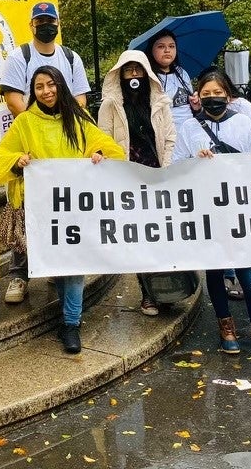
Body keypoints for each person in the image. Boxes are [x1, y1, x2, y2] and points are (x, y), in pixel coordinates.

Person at [0, 66, 124, 353]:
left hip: (75, 207)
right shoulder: (25, 122)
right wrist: (18, 161)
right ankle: (67, 316)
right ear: (33, 92)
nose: (46, 91)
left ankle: (71, 323)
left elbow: (112, 150)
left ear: (60, 85)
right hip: (41, 209)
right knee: (58, 263)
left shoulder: (78, 118)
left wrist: (98, 154)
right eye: (39, 87)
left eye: (51, 85)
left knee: (73, 264)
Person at [173, 69, 251, 356]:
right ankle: (225, 326)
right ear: (198, 98)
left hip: (238, 208)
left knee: (247, 273)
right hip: (207, 211)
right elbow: (175, 164)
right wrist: (196, 161)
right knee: (215, 272)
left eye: (217, 94)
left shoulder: (242, 123)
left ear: (228, 96)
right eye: (206, 95)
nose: (212, 99)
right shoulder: (190, 129)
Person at [0, 2, 89, 304]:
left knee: (59, 211)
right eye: (40, 21)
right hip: (28, 141)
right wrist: (38, 125)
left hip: (63, 142)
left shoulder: (70, 57)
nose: (46, 25)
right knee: (23, 212)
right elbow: (13, 98)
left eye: (51, 20)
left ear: (58, 23)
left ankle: (54, 265)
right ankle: (18, 276)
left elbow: (80, 99)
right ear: (31, 25)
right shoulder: (19, 56)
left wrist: (57, 123)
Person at [97, 50, 176, 316]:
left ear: (146, 73)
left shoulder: (160, 103)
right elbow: (103, 140)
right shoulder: (110, 106)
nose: (133, 75)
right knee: (140, 237)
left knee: (160, 236)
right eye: (128, 70)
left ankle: (167, 289)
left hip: (156, 175)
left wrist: (165, 170)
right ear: (119, 74)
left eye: (138, 70)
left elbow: (169, 137)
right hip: (128, 178)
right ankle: (148, 295)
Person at [144, 30, 200, 133]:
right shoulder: (147, 77)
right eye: (161, 46)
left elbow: (190, 105)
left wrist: (195, 104)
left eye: (171, 46)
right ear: (151, 50)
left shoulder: (182, 73)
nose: (167, 50)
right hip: (164, 135)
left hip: (189, 132)